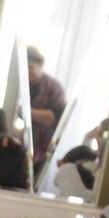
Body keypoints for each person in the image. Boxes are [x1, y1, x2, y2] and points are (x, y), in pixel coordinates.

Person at [26, 46, 66, 174]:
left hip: (43, 146)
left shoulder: (54, 88)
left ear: (40, 65)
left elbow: (54, 117)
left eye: (30, 66)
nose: (28, 71)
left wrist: (27, 112)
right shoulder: (21, 85)